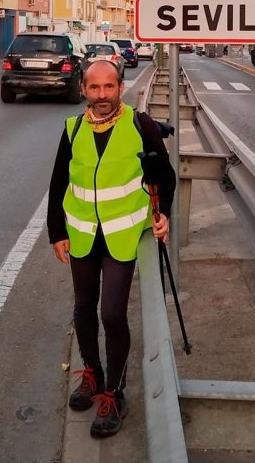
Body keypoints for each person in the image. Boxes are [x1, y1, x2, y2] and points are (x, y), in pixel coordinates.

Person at [47, 60, 175, 438]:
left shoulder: (140, 125)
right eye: (94, 88)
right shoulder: (72, 130)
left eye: (109, 87)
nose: (102, 95)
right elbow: (58, 184)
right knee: (83, 308)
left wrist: (163, 213)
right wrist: (57, 231)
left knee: (112, 314)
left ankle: (114, 394)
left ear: (121, 86)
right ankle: (91, 374)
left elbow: (164, 174)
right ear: (84, 90)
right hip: (83, 233)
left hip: (122, 235)